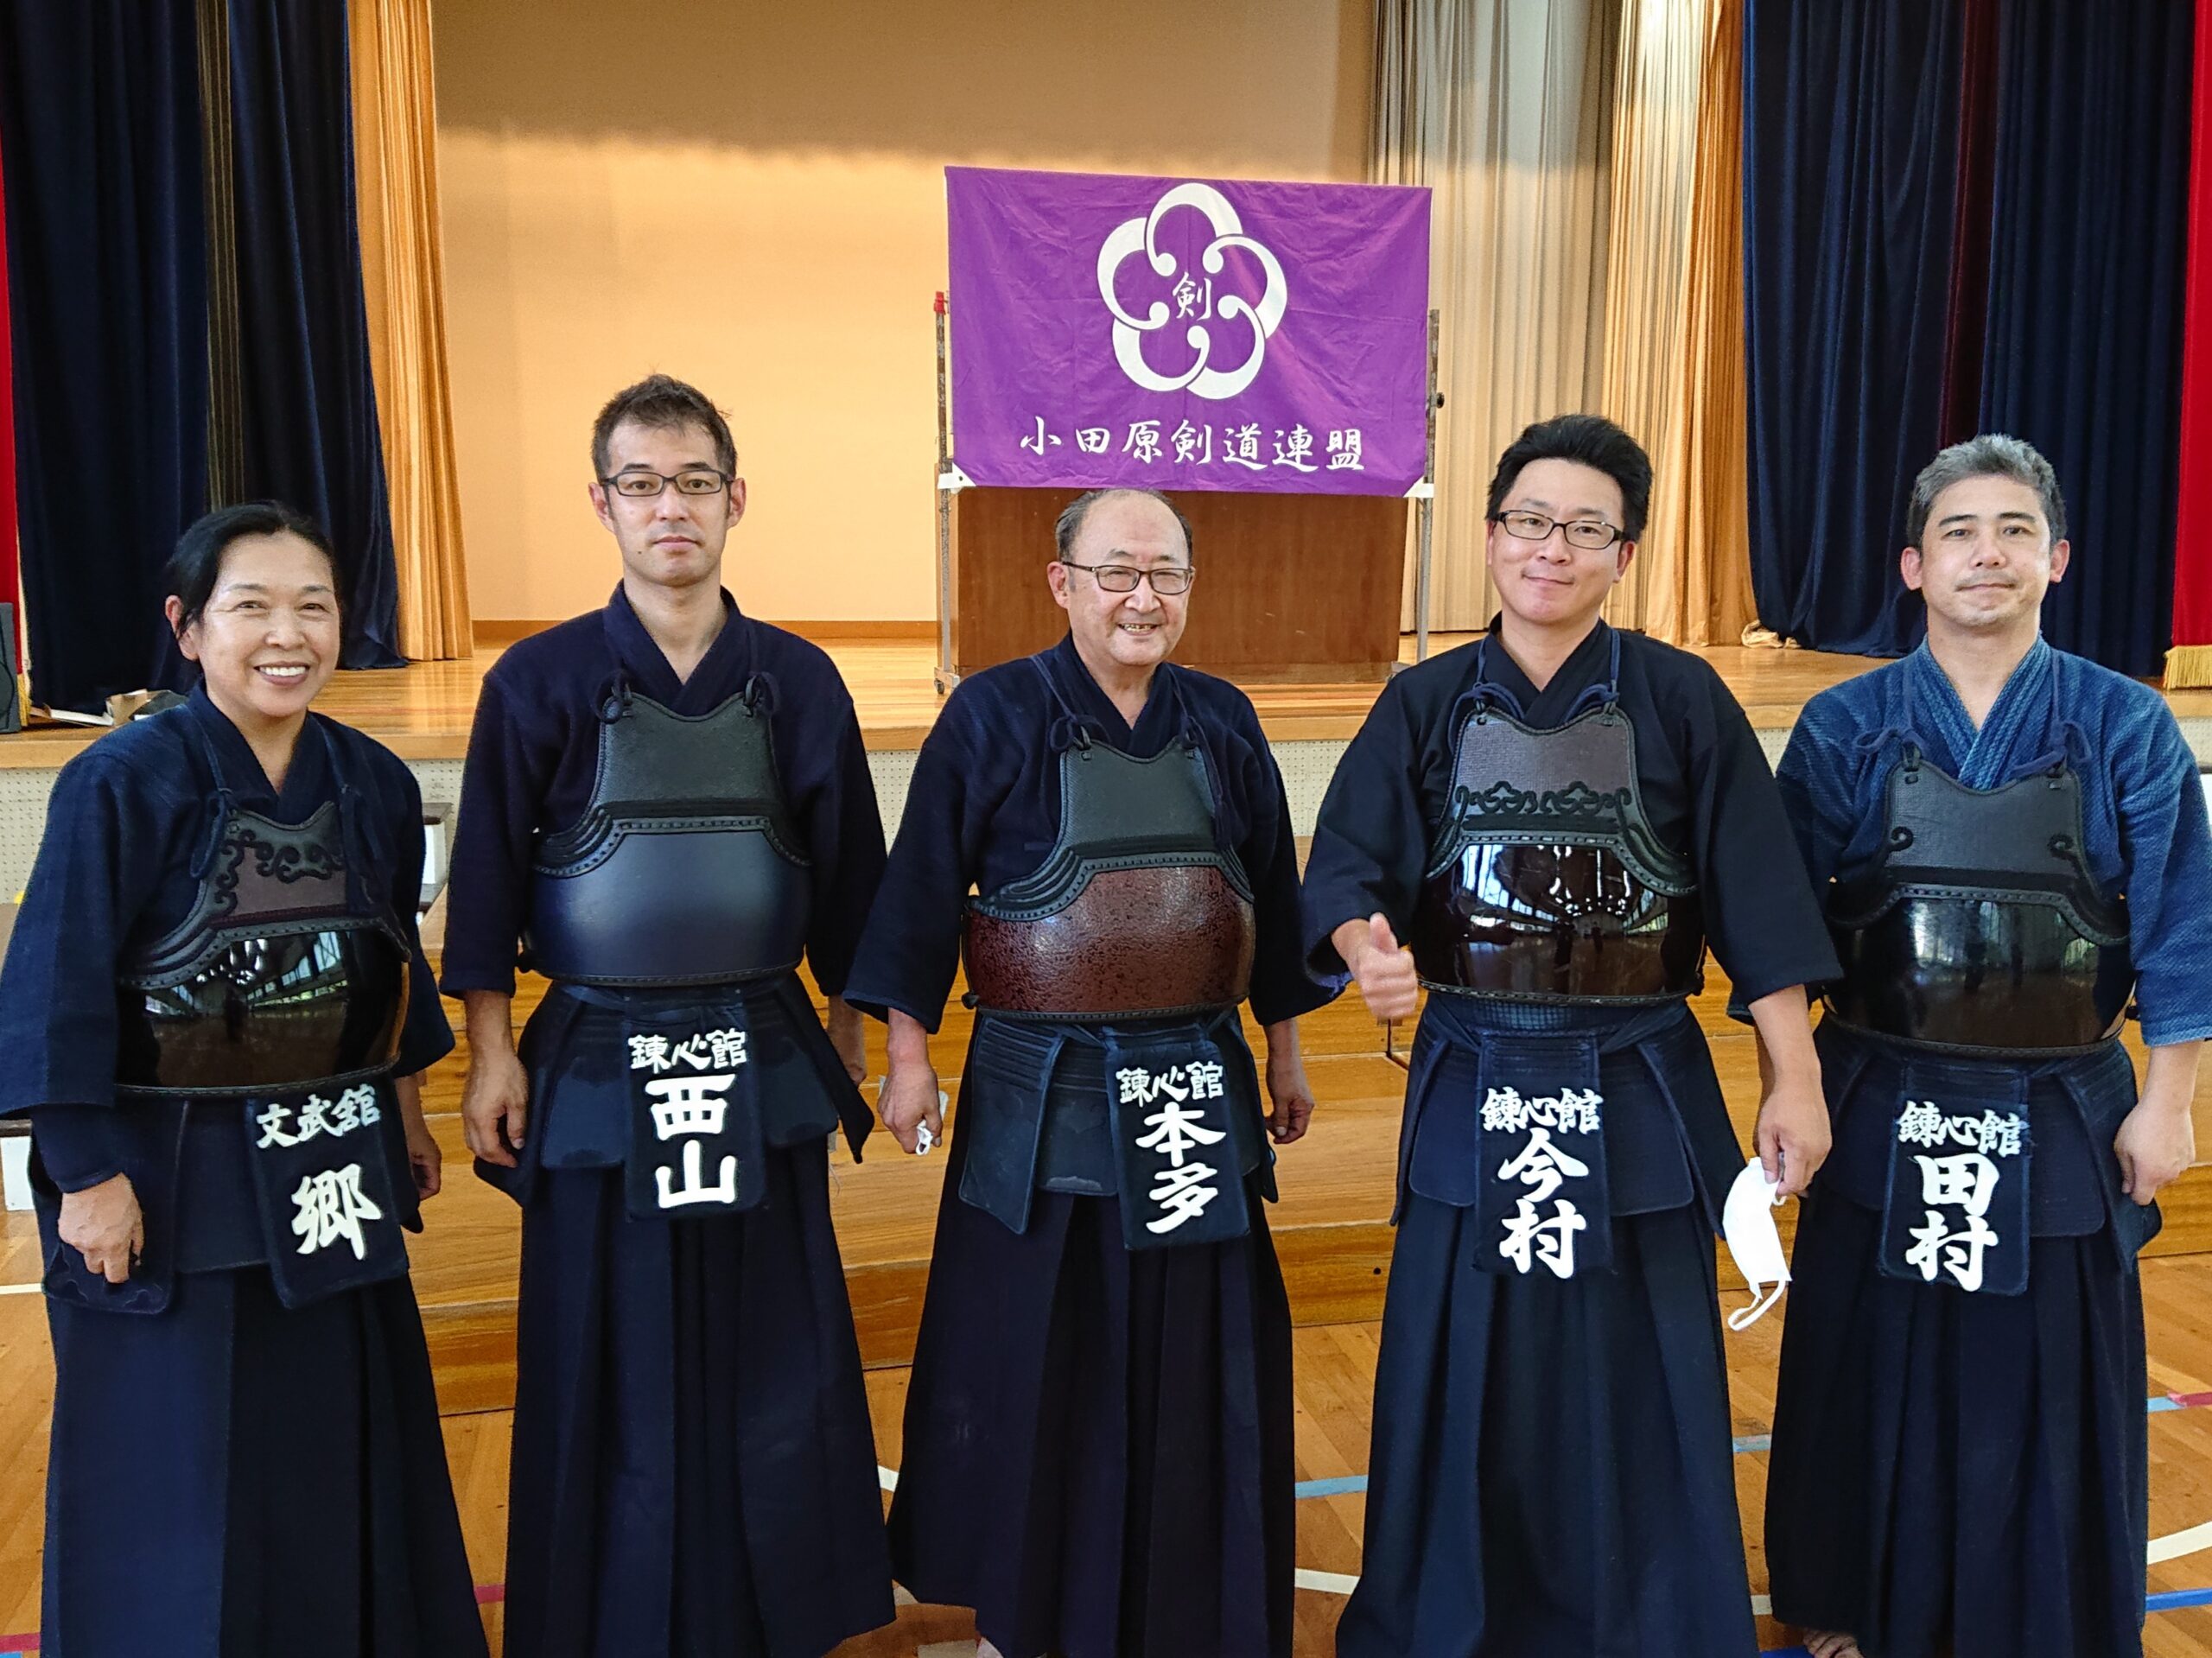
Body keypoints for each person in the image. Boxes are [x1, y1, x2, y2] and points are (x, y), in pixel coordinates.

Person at [1308, 414, 1840, 1657]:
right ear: (1492, 536)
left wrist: (1796, 1078)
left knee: (1641, 1361)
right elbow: (1345, 867)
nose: (1553, 548)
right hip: (1477, 1066)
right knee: (1461, 1352)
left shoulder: (1682, 698)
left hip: (1637, 1072)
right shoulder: (1425, 700)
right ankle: (1446, 1621)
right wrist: (1363, 948)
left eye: (1585, 529)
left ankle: (1651, 1622)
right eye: (1531, 522)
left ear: (1625, 555)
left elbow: (1759, 901)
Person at [440, 374, 894, 1656]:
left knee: (775, 1342)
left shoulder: (797, 679)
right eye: (640, 485)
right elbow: (487, 884)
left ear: (735, 497)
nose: (670, 508)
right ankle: (606, 1619)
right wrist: (489, 1055)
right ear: (603, 504)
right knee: (603, 1343)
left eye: (694, 481)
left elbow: (848, 881)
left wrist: (857, 1039)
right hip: (593, 1060)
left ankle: (778, 1613)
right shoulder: (538, 679)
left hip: (760, 1049)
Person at [845, 486, 1329, 1658]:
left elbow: (1268, 895)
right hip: (1040, 1091)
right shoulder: (993, 713)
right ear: (1063, 582)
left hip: (1196, 1086)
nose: (1142, 598)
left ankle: (1189, 1604)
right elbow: (920, 894)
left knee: (1194, 1352)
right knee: (1036, 1352)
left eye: (1165, 574)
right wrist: (907, 1055)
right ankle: (1026, 1611)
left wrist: (1286, 1046)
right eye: (1117, 572)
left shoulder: (1222, 718)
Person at [0, 502, 485, 1656]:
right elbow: (58, 985)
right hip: (171, 1182)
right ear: (188, 626)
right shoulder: (121, 782)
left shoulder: (370, 779)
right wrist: (84, 1177)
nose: (287, 634)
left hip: (332, 1168)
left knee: (336, 1452)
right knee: (173, 1473)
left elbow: (385, 963)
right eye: (251, 606)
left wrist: (407, 1113)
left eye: (313, 606)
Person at [1763, 434, 2212, 1658]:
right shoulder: (1846, 725)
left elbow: (2181, 925)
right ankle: (1854, 1602)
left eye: (2016, 530)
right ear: (1913, 565)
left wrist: (2169, 1102)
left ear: (2057, 559)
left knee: (2046, 1368)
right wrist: (1790, 1083)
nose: (1988, 554)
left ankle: (2041, 1612)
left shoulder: (2124, 723)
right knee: (1871, 1357)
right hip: (1881, 1086)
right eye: (1958, 532)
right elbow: (1780, 929)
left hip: (2062, 1099)